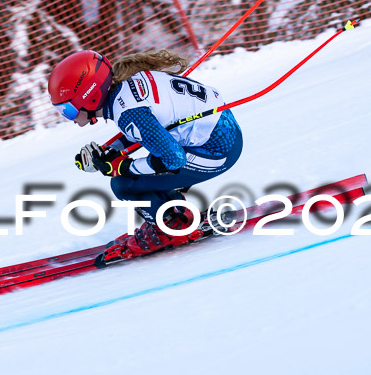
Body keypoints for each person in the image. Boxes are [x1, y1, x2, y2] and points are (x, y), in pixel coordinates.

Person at [48, 49, 243, 260]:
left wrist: (121, 166)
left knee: (124, 184)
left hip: (216, 151)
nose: (71, 119)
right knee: (136, 175)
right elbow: (147, 130)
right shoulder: (125, 87)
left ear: (90, 97)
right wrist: (108, 152)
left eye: (68, 110)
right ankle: (175, 214)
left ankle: (169, 228)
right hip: (219, 135)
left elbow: (173, 160)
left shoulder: (128, 112)